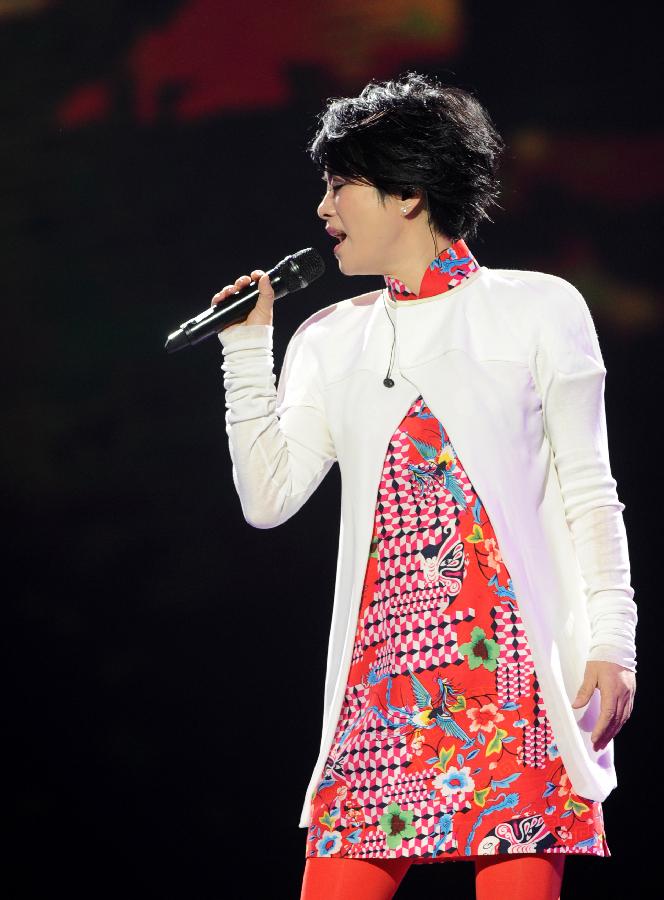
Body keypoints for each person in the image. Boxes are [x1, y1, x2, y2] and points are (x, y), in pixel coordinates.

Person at [212, 72, 637, 900]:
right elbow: (267, 499)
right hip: (381, 686)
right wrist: (244, 352)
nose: (323, 209)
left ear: (407, 193)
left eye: (342, 186)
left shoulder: (539, 309)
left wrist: (612, 643)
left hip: (514, 682)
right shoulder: (330, 337)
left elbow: (591, 491)